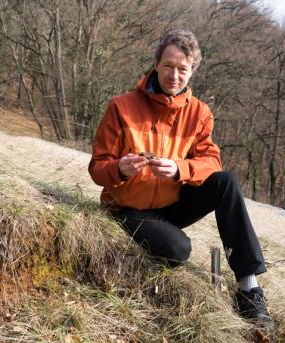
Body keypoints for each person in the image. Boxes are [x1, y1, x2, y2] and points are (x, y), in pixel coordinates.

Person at [88, 29, 274, 328]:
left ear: (192, 71)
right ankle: (165, 239)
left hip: (172, 205)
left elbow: (211, 161)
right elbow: (97, 168)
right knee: (178, 250)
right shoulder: (120, 106)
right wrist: (120, 169)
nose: (174, 75)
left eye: (182, 68)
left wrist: (179, 169)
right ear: (156, 64)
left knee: (225, 181)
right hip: (129, 210)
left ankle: (249, 288)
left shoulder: (199, 112)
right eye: (168, 66)